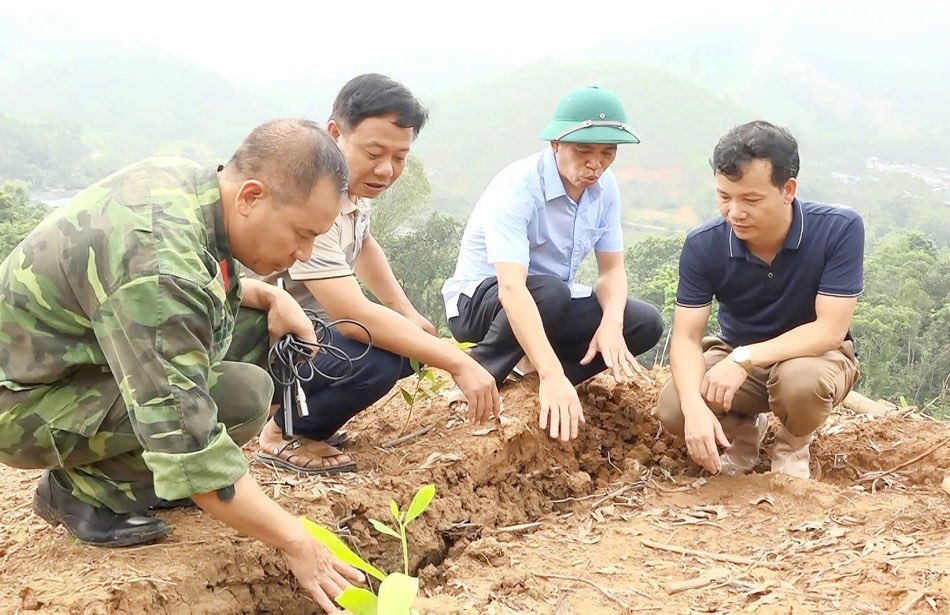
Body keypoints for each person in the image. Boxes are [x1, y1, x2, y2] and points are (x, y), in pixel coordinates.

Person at [0, 119, 364, 611]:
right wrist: (296, 540)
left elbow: (189, 285)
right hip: (19, 405)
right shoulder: (159, 265)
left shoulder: (193, 185)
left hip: (71, 361)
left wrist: (268, 295)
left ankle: (142, 473)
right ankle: (86, 492)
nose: (300, 256)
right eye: (301, 234)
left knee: (259, 332)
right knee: (239, 399)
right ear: (251, 196)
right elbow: (188, 437)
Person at [253, 74, 499, 474]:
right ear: (336, 133)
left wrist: (403, 308)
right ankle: (281, 432)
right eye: (374, 152)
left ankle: (304, 414)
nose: (386, 170)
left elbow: (365, 243)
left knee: (407, 345)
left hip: (308, 336)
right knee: (373, 354)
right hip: (267, 346)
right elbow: (355, 320)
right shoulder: (310, 199)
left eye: (399, 158)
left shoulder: (349, 187)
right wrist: (459, 363)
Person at [441, 86, 664, 443]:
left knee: (644, 323)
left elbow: (612, 271)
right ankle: (482, 371)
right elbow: (512, 287)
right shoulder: (518, 186)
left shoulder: (605, 189)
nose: (596, 164)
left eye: (608, 153)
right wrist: (550, 373)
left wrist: (611, 323)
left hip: (548, 305)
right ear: (556, 144)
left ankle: (541, 382)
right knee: (550, 290)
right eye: (584, 151)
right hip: (482, 302)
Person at [654, 120, 863, 479]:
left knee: (801, 383)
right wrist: (694, 406)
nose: (735, 212)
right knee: (674, 408)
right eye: (724, 197)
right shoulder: (704, 244)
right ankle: (741, 424)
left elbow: (830, 329)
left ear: (788, 189)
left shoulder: (838, 229)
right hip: (736, 354)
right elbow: (687, 337)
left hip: (812, 357)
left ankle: (794, 441)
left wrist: (744, 359)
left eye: (750, 199)